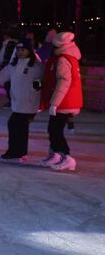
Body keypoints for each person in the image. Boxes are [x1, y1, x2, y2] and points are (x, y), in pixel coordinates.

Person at [0, 39, 43, 161]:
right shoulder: (13, 65)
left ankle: (16, 151)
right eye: (18, 50)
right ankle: (18, 151)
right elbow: (1, 76)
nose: (20, 52)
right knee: (17, 126)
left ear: (29, 51)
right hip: (18, 102)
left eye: (23, 50)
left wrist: (38, 84)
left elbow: (43, 78)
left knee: (16, 125)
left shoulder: (36, 66)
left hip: (29, 102)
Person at [38, 31, 83, 171]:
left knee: (55, 130)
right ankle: (56, 154)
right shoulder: (66, 57)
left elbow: (64, 82)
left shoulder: (63, 59)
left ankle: (67, 158)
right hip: (65, 100)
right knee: (53, 129)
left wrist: (55, 103)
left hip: (64, 101)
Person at [0, 26, 21, 109]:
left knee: (9, 85)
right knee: (10, 85)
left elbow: (7, 57)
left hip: (10, 68)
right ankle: (13, 101)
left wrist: (3, 66)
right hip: (11, 67)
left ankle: (13, 101)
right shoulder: (9, 44)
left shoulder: (10, 44)